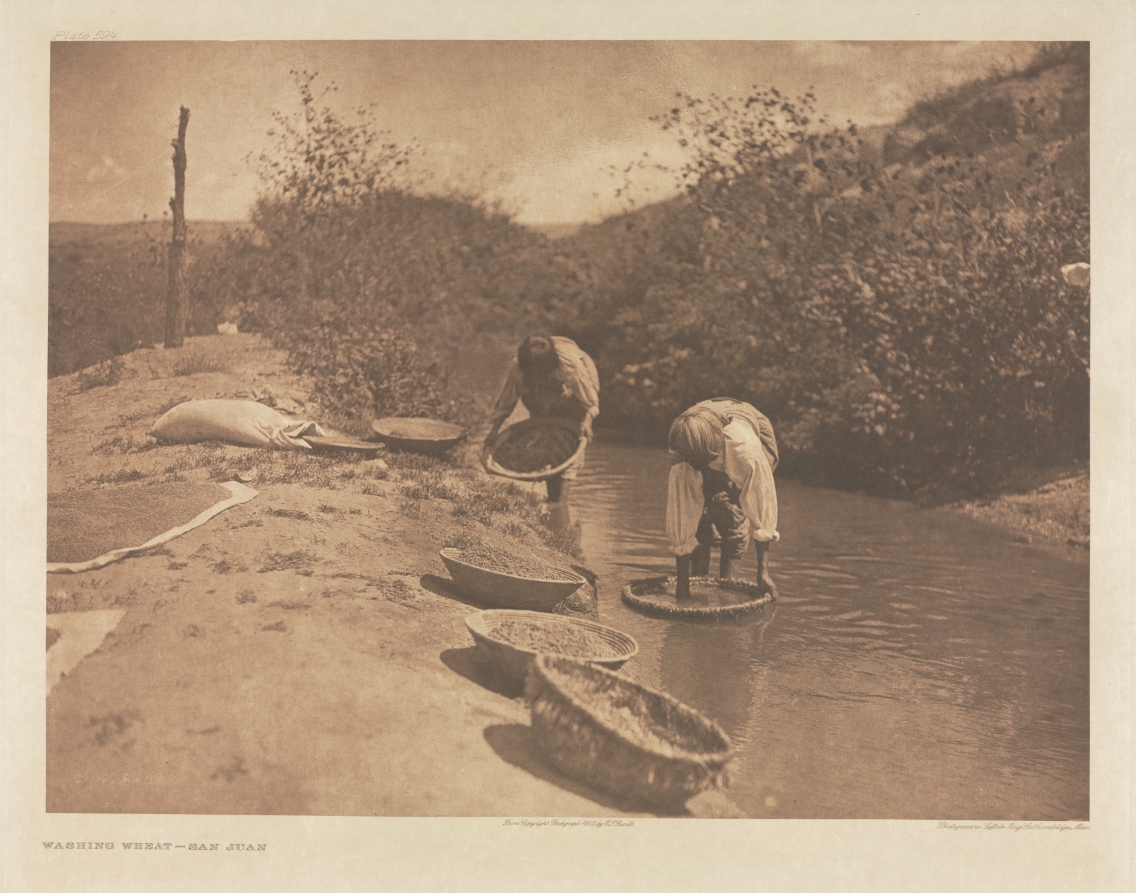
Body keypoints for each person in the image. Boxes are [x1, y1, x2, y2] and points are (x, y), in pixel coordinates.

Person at [666, 398, 779, 601]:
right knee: (699, 521)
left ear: (709, 454)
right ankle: (698, 576)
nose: (690, 464)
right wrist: (682, 586)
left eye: (696, 460)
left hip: (749, 429)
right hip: (702, 430)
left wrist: (763, 572)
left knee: (733, 517)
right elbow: (680, 515)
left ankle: (727, 586)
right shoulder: (683, 457)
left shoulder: (744, 449)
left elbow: (763, 505)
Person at [483, 335, 600, 503]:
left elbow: (589, 402)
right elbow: (506, 403)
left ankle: (559, 504)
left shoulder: (570, 365)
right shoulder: (518, 367)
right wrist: (493, 432)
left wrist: (587, 424)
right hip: (541, 397)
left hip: (574, 393)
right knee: (546, 438)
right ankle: (552, 495)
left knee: (569, 444)